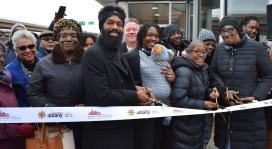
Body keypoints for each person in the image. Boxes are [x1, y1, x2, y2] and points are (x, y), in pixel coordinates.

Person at [81, 5, 151, 149]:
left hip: (123, 126)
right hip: (105, 133)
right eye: (110, 22)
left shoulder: (117, 51)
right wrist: (135, 95)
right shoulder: (93, 54)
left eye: (119, 24)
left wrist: (135, 88)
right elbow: (100, 95)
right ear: (101, 26)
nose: (115, 27)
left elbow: (120, 82)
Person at [210, 17, 272, 149]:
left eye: (230, 30)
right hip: (226, 113)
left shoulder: (257, 48)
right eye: (222, 31)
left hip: (249, 114)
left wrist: (256, 96)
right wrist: (224, 90)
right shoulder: (220, 49)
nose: (226, 34)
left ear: (238, 30)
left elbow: (268, 75)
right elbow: (213, 73)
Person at [27, 19, 84, 149]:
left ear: (78, 39)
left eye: (73, 35)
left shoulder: (88, 60)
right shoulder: (44, 64)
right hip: (56, 126)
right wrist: (53, 109)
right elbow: (33, 93)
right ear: (58, 39)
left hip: (85, 124)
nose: (69, 39)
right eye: (64, 36)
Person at [125, 23, 176, 149]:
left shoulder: (166, 55)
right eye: (149, 35)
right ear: (142, 36)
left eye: (156, 36)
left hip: (166, 110)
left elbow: (171, 79)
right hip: (145, 112)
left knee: (164, 144)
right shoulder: (130, 57)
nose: (153, 39)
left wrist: (173, 77)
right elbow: (125, 82)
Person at [169, 40, 217, 149]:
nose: (201, 55)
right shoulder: (184, 72)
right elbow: (178, 100)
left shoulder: (202, 69)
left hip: (197, 124)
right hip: (185, 125)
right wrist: (203, 104)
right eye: (197, 51)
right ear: (188, 53)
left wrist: (211, 93)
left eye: (204, 52)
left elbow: (202, 89)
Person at [0, 45, 35, 149]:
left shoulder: (6, 80)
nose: (0, 59)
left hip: (15, 142)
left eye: (1, 56)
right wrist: (16, 130)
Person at [6, 30, 39, 107]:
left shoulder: (45, 64)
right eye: (22, 48)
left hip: (44, 112)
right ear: (16, 51)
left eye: (31, 46)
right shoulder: (9, 71)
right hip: (22, 114)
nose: (28, 50)